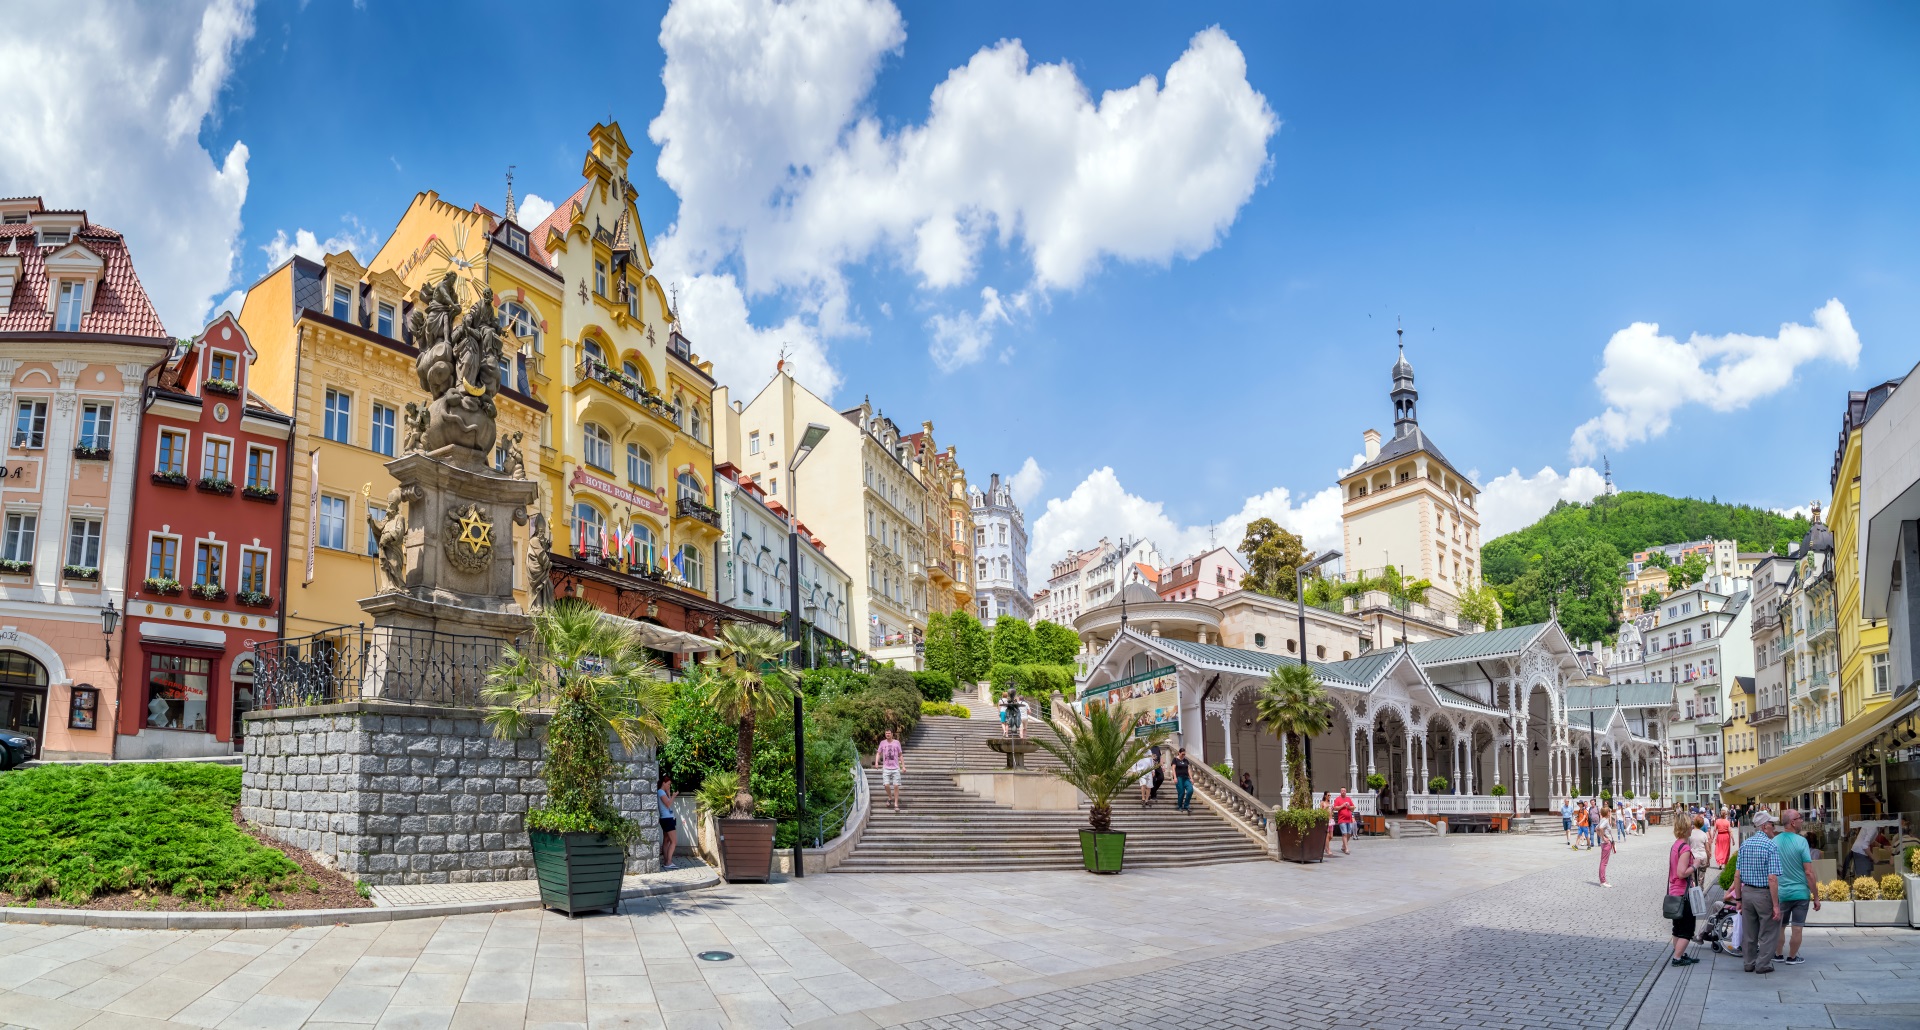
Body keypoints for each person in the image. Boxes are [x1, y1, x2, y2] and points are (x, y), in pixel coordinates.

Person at [1731, 810, 1785, 974]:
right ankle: (1762, 964)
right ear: (1764, 826)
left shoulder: (1745, 844)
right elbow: (1772, 878)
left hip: (1747, 893)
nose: (1774, 828)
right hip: (1764, 894)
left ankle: (1749, 963)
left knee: (1749, 931)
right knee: (1769, 931)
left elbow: (1737, 875)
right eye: (1772, 825)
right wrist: (1776, 905)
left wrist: (1738, 899)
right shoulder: (1770, 846)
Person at [1775, 808, 1819, 965]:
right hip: (1800, 893)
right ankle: (1792, 957)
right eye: (1800, 818)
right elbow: (1809, 872)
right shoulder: (1801, 842)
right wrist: (1816, 896)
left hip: (1781, 893)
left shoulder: (1774, 841)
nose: (1802, 820)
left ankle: (1778, 954)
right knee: (1797, 927)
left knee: (1780, 927)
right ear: (1793, 822)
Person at [1667, 816, 1700, 967]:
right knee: (1687, 929)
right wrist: (1695, 865)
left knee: (1677, 928)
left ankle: (1679, 954)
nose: (1692, 828)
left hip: (1674, 891)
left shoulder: (1676, 845)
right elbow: (1681, 873)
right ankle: (1677, 958)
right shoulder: (1685, 849)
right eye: (1690, 825)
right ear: (1686, 828)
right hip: (1683, 893)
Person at [877, 728, 905, 812]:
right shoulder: (882, 743)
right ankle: (890, 797)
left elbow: (900, 755)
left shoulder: (897, 743)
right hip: (886, 768)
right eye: (886, 733)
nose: (887, 735)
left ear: (892, 734)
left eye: (889, 733)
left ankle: (896, 804)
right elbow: (878, 753)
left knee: (896, 785)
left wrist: (903, 766)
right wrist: (876, 762)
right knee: (886, 785)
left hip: (896, 768)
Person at [657, 774, 678, 870]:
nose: (669, 786)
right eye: (668, 784)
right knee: (674, 841)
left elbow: (667, 804)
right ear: (663, 783)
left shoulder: (662, 792)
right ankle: (668, 862)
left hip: (666, 818)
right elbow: (668, 804)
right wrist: (673, 796)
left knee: (666, 840)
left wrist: (669, 794)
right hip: (667, 819)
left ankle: (666, 861)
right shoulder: (661, 792)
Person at [1333, 787, 1358, 855]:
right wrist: (1343, 805)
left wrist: (1349, 806)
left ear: (1346, 792)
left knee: (1349, 834)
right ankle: (1346, 848)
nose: (1343, 792)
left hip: (1349, 819)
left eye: (1344, 791)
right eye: (1342, 791)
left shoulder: (1348, 799)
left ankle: (1343, 846)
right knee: (1344, 834)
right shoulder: (1338, 799)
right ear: (1340, 792)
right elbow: (1335, 808)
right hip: (1342, 819)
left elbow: (1353, 807)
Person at [1597, 805, 1617, 887]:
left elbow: (1596, 828)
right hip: (1606, 843)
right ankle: (1603, 881)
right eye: (1609, 811)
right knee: (1604, 863)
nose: (1610, 813)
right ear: (1607, 812)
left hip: (1604, 843)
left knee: (1603, 861)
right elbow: (1600, 828)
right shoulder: (1605, 820)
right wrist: (1603, 837)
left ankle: (1602, 880)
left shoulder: (1602, 820)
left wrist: (1601, 837)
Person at [1689, 814, 1711, 889]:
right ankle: (1700, 891)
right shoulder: (1704, 834)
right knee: (1701, 878)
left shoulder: (1690, 833)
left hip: (1693, 857)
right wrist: (1708, 860)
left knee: (1692, 879)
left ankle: (1693, 891)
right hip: (1702, 857)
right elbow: (1707, 849)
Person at [1172, 748, 1194, 813]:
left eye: (1184, 754)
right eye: (1182, 754)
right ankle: (1179, 806)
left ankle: (1186, 805)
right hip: (1179, 778)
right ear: (1179, 753)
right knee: (1181, 792)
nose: (1183, 755)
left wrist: (1191, 778)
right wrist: (1175, 777)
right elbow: (1173, 769)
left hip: (1186, 778)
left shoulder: (1186, 760)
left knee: (1190, 790)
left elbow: (1188, 769)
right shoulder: (1175, 760)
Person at [1320, 792, 1337, 856]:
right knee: (1327, 835)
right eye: (1328, 795)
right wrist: (1326, 808)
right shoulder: (1322, 803)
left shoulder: (1330, 803)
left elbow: (1331, 812)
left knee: (1331, 836)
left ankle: (1324, 845)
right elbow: (1321, 811)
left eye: (1330, 795)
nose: (1329, 796)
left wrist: (1332, 809)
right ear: (1325, 796)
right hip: (1326, 820)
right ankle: (1328, 849)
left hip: (1331, 820)